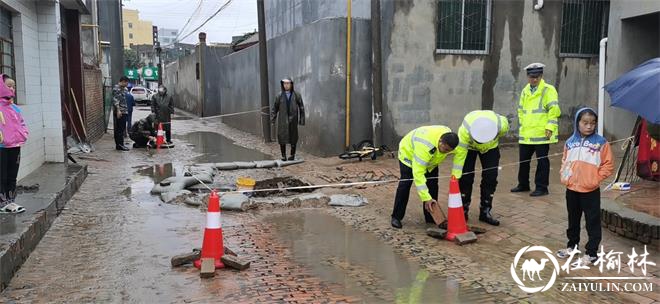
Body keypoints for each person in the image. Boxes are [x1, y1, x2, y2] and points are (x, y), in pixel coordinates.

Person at [556, 108, 613, 265]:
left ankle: (592, 253)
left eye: (592, 123)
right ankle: (572, 246)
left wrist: (594, 179)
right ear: (577, 123)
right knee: (573, 220)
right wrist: (564, 175)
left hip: (590, 191)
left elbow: (608, 165)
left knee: (592, 222)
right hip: (572, 189)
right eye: (585, 123)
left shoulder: (601, 143)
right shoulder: (570, 142)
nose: (589, 126)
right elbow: (564, 161)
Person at [390, 125, 459, 229]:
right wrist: (426, 198)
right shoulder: (424, 147)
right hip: (408, 155)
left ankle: (430, 216)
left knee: (433, 185)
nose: (446, 152)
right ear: (441, 141)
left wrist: (456, 174)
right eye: (445, 149)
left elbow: (460, 154)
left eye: (449, 151)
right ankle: (396, 217)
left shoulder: (450, 140)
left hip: (431, 161)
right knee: (405, 185)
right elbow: (418, 174)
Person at [451, 110, 509, 226]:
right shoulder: (465, 131)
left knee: (491, 177)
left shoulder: (501, 126)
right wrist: (456, 175)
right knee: (465, 177)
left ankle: (485, 211)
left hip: (491, 148)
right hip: (469, 148)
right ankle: (463, 210)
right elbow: (460, 156)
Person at [511, 63, 561, 197]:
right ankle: (523, 184)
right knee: (523, 161)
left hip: (542, 133)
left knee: (542, 162)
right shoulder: (525, 90)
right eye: (532, 76)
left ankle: (542, 187)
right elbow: (521, 110)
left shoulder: (548, 90)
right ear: (527, 76)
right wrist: (523, 124)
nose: (534, 79)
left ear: (541, 76)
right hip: (527, 133)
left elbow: (554, 111)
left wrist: (550, 127)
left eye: (537, 77)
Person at [0, 75, 28, 212]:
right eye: (8, 86)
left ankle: (11, 200)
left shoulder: (15, 108)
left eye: (14, 86)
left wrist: (24, 133)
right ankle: (2, 202)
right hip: (2, 147)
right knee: (2, 175)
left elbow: (22, 123)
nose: (12, 89)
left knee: (12, 174)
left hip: (15, 145)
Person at [271, 77, 305, 161]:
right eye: (284, 83)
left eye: (288, 83)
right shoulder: (279, 95)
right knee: (282, 136)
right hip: (282, 120)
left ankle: (292, 155)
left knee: (293, 137)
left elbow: (301, 107)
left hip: (293, 119)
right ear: (282, 84)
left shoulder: (297, 95)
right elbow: (275, 108)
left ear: (291, 84)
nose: (286, 85)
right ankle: (283, 155)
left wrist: (302, 119)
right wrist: (273, 119)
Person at [113, 76, 130, 151]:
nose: (127, 84)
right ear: (123, 81)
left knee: (122, 128)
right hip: (120, 111)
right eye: (126, 82)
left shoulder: (124, 89)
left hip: (124, 111)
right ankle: (119, 145)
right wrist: (118, 110)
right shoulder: (116, 89)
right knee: (119, 129)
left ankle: (120, 144)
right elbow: (115, 100)